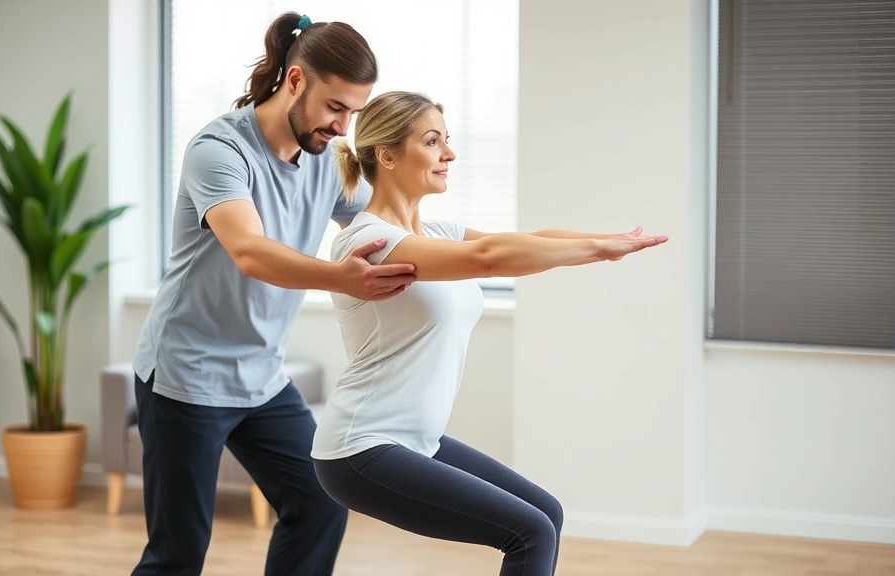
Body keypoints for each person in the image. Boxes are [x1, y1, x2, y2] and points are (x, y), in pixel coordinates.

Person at [310, 91, 668, 576]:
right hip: (361, 447)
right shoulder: (369, 241)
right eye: (433, 142)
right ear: (387, 155)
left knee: (547, 514)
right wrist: (597, 249)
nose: (449, 155)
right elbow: (489, 259)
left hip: (417, 438)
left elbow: (528, 241)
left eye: (447, 141)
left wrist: (605, 243)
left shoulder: (437, 232)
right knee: (530, 532)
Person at [129, 12, 414, 576]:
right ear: (296, 80)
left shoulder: (325, 162)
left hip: (260, 376)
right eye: (337, 108)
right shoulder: (219, 149)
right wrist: (342, 278)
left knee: (321, 499)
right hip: (187, 375)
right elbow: (250, 252)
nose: (343, 128)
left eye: (355, 113)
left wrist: (474, 250)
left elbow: (384, 231)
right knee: (178, 553)